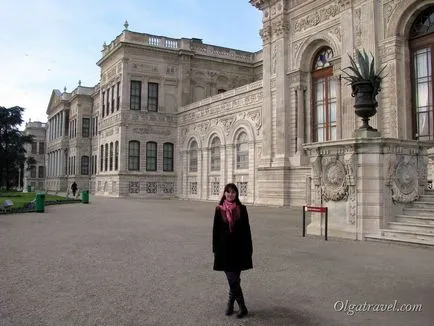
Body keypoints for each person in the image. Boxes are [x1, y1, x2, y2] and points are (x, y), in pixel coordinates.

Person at [212, 183, 253, 319]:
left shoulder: (242, 209)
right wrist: (215, 249)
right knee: (232, 279)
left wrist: (249, 249)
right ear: (224, 193)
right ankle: (241, 306)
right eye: (228, 192)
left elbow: (247, 231)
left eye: (233, 192)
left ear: (237, 194)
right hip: (224, 251)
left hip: (239, 250)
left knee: (234, 279)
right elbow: (215, 231)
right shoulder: (219, 210)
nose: (231, 194)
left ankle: (231, 304)